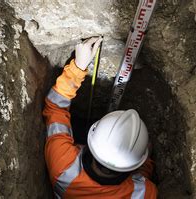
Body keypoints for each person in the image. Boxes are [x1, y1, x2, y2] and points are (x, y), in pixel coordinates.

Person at [43, 37, 157, 198]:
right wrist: (146, 162)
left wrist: (78, 67)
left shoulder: (62, 164)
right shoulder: (145, 192)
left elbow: (55, 107)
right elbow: (142, 177)